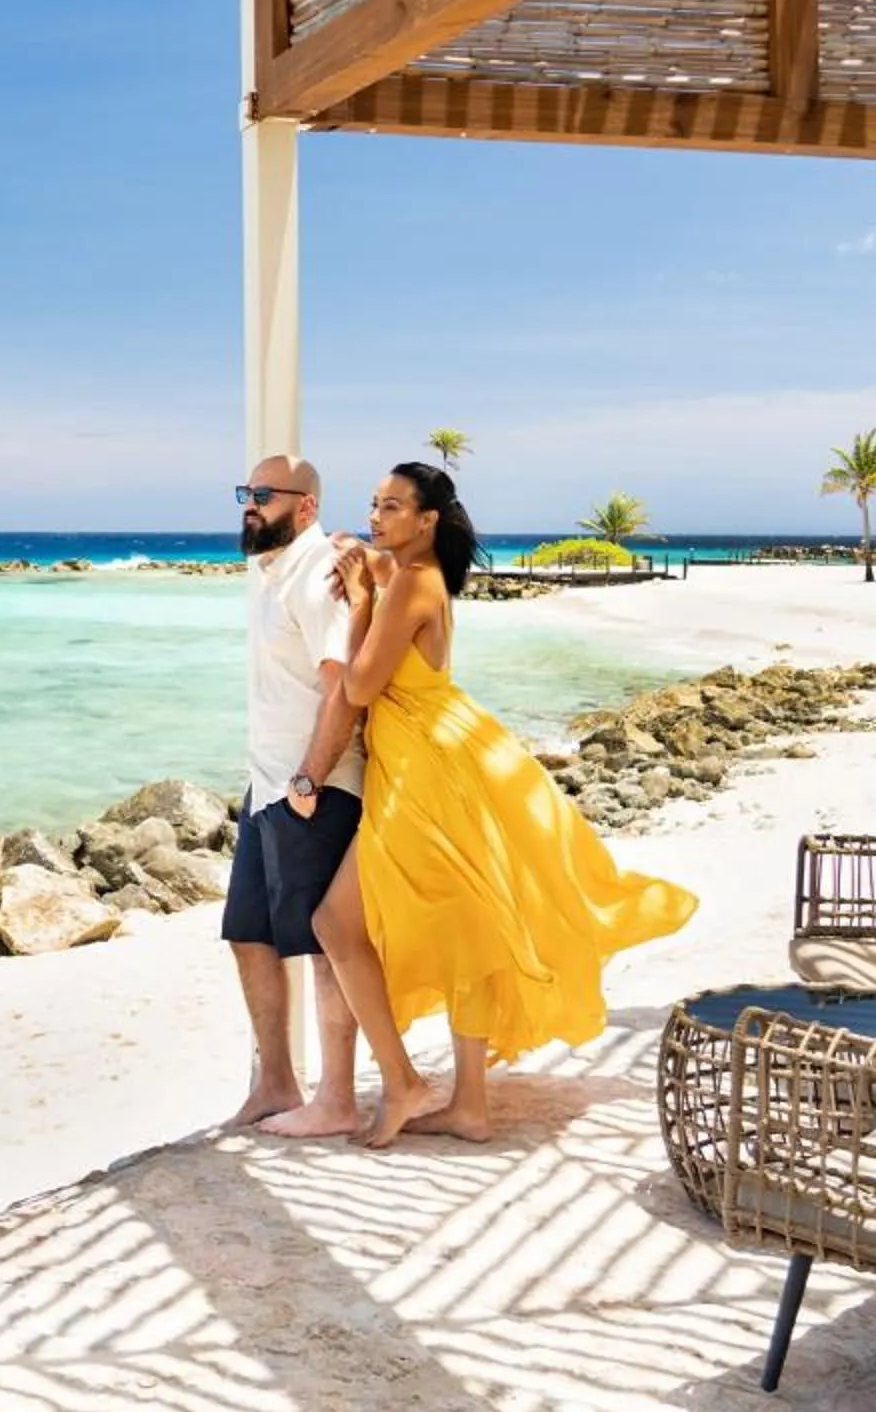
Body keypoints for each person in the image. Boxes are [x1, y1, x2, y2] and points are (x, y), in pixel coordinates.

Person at [310, 462, 696, 1148]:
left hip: (428, 769)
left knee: (338, 923)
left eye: (392, 507)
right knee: (469, 922)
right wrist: (370, 573)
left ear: (427, 521)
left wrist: (363, 596)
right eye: (374, 504)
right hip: (439, 752)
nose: (377, 517)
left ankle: (410, 1084)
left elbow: (362, 686)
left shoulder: (409, 585)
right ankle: (468, 1106)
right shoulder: (417, 577)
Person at [221, 455, 369, 1137]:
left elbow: (342, 686)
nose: (249, 505)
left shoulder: (318, 577)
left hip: (312, 789)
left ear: (305, 507)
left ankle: (336, 1099)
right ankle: (278, 1082)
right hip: (267, 787)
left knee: (322, 946)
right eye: (244, 493)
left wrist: (310, 777)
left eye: (262, 495)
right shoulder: (272, 572)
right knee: (248, 934)